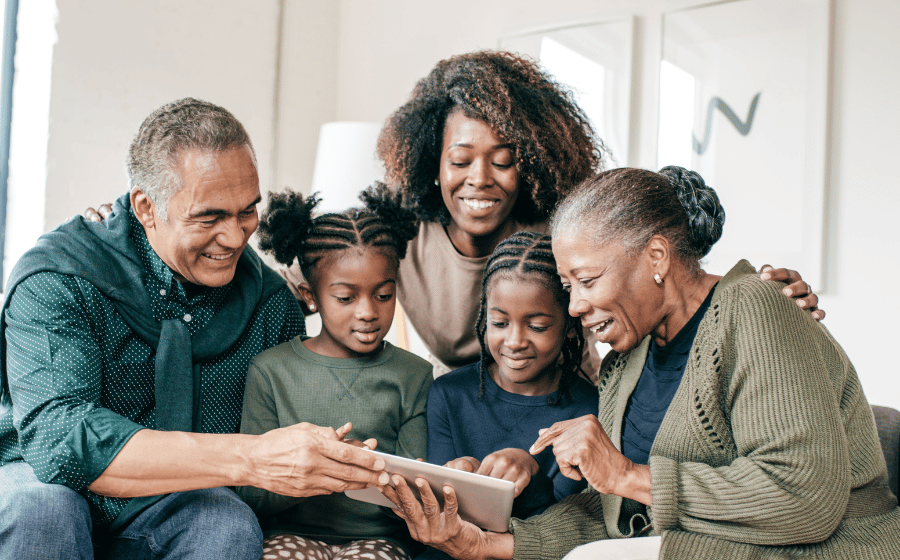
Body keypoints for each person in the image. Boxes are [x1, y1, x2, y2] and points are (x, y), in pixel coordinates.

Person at [85, 52, 824, 373]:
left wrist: (749, 290)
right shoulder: (399, 230)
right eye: (461, 159)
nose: (482, 179)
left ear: (531, 156)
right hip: (460, 413)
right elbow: (290, 252)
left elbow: (649, 266)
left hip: (568, 402)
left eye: (504, 157)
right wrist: (122, 226)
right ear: (429, 161)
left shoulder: (558, 232)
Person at [378, 167, 900, 560]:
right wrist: (487, 545)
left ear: (655, 258)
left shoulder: (757, 308)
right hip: (697, 553)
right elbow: (615, 521)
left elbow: (801, 497)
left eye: (587, 280)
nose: (576, 306)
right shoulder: (625, 361)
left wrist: (627, 475)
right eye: (567, 286)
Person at [0, 98, 390, 560]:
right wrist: (250, 457)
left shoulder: (270, 305)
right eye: (209, 217)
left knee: (224, 529)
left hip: (164, 505)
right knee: (42, 514)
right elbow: (61, 439)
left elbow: (282, 443)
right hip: (38, 481)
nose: (234, 237)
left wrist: (335, 460)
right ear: (146, 208)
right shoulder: (59, 279)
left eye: (247, 210)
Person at [233, 185, 433, 560]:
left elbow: (418, 487)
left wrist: (369, 471)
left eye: (384, 295)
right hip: (290, 535)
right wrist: (317, 471)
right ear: (310, 295)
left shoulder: (413, 375)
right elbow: (252, 495)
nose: (368, 312)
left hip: (379, 543)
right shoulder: (270, 372)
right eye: (346, 297)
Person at [377, 232, 598, 560]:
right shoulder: (450, 394)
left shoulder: (587, 409)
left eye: (538, 326)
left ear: (569, 326)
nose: (514, 341)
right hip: (453, 553)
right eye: (499, 323)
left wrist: (530, 468)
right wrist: (453, 474)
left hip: (529, 559)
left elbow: (561, 522)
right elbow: (441, 507)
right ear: (483, 318)